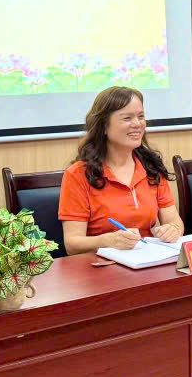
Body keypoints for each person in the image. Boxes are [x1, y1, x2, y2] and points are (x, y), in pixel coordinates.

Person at [60, 86, 184, 255]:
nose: (137, 124)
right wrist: (107, 241)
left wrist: (173, 230)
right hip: (99, 264)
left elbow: (175, 222)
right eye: (127, 118)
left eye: (141, 117)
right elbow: (72, 244)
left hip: (146, 260)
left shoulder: (151, 167)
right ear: (104, 126)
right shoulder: (78, 174)